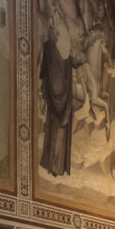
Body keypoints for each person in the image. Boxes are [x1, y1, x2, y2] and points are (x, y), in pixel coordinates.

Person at [39, 26, 73, 176]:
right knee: (58, 131)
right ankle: (56, 165)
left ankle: (54, 164)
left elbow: (44, 73)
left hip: (54, 97)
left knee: (56, 130)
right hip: (62, 98)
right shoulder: (63, 53)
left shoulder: (52, 49)